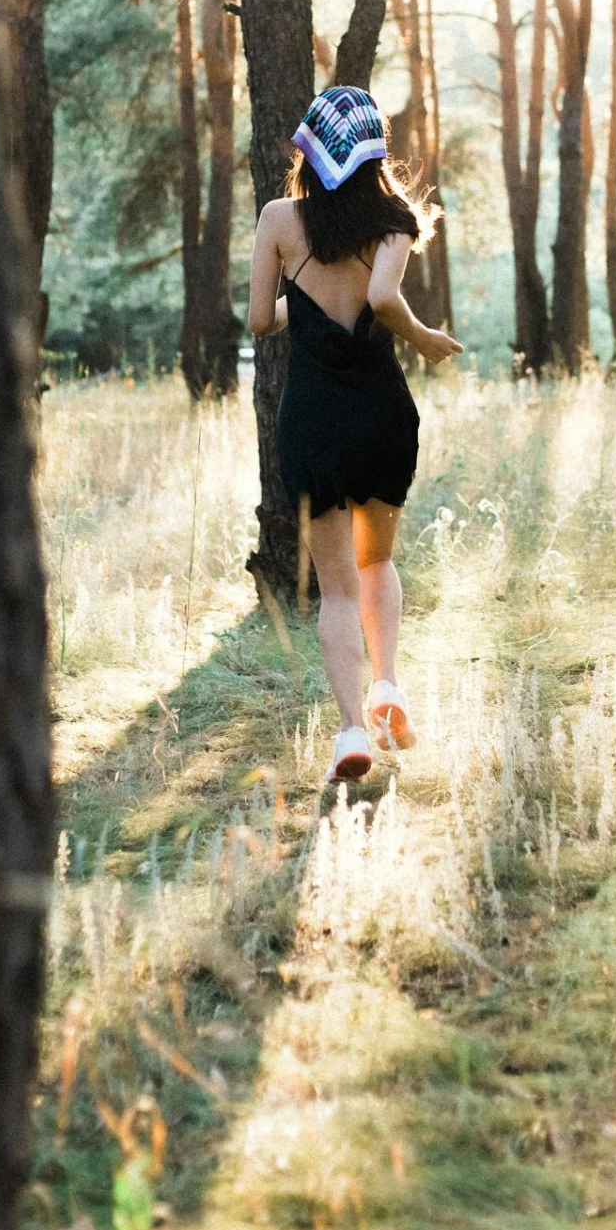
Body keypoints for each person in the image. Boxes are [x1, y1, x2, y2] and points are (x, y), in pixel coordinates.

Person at [248, 86, 463, 785]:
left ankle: (348, 733)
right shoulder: (395, 219)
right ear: (375, 152)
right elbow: (378, 299)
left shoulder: (279, 218)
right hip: (381, 416)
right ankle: (389, 688)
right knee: (378, 565)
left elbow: (258, 321)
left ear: (308, 150)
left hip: (313, 419)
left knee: (337, 589)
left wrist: (301, 298)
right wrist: (424, 335)